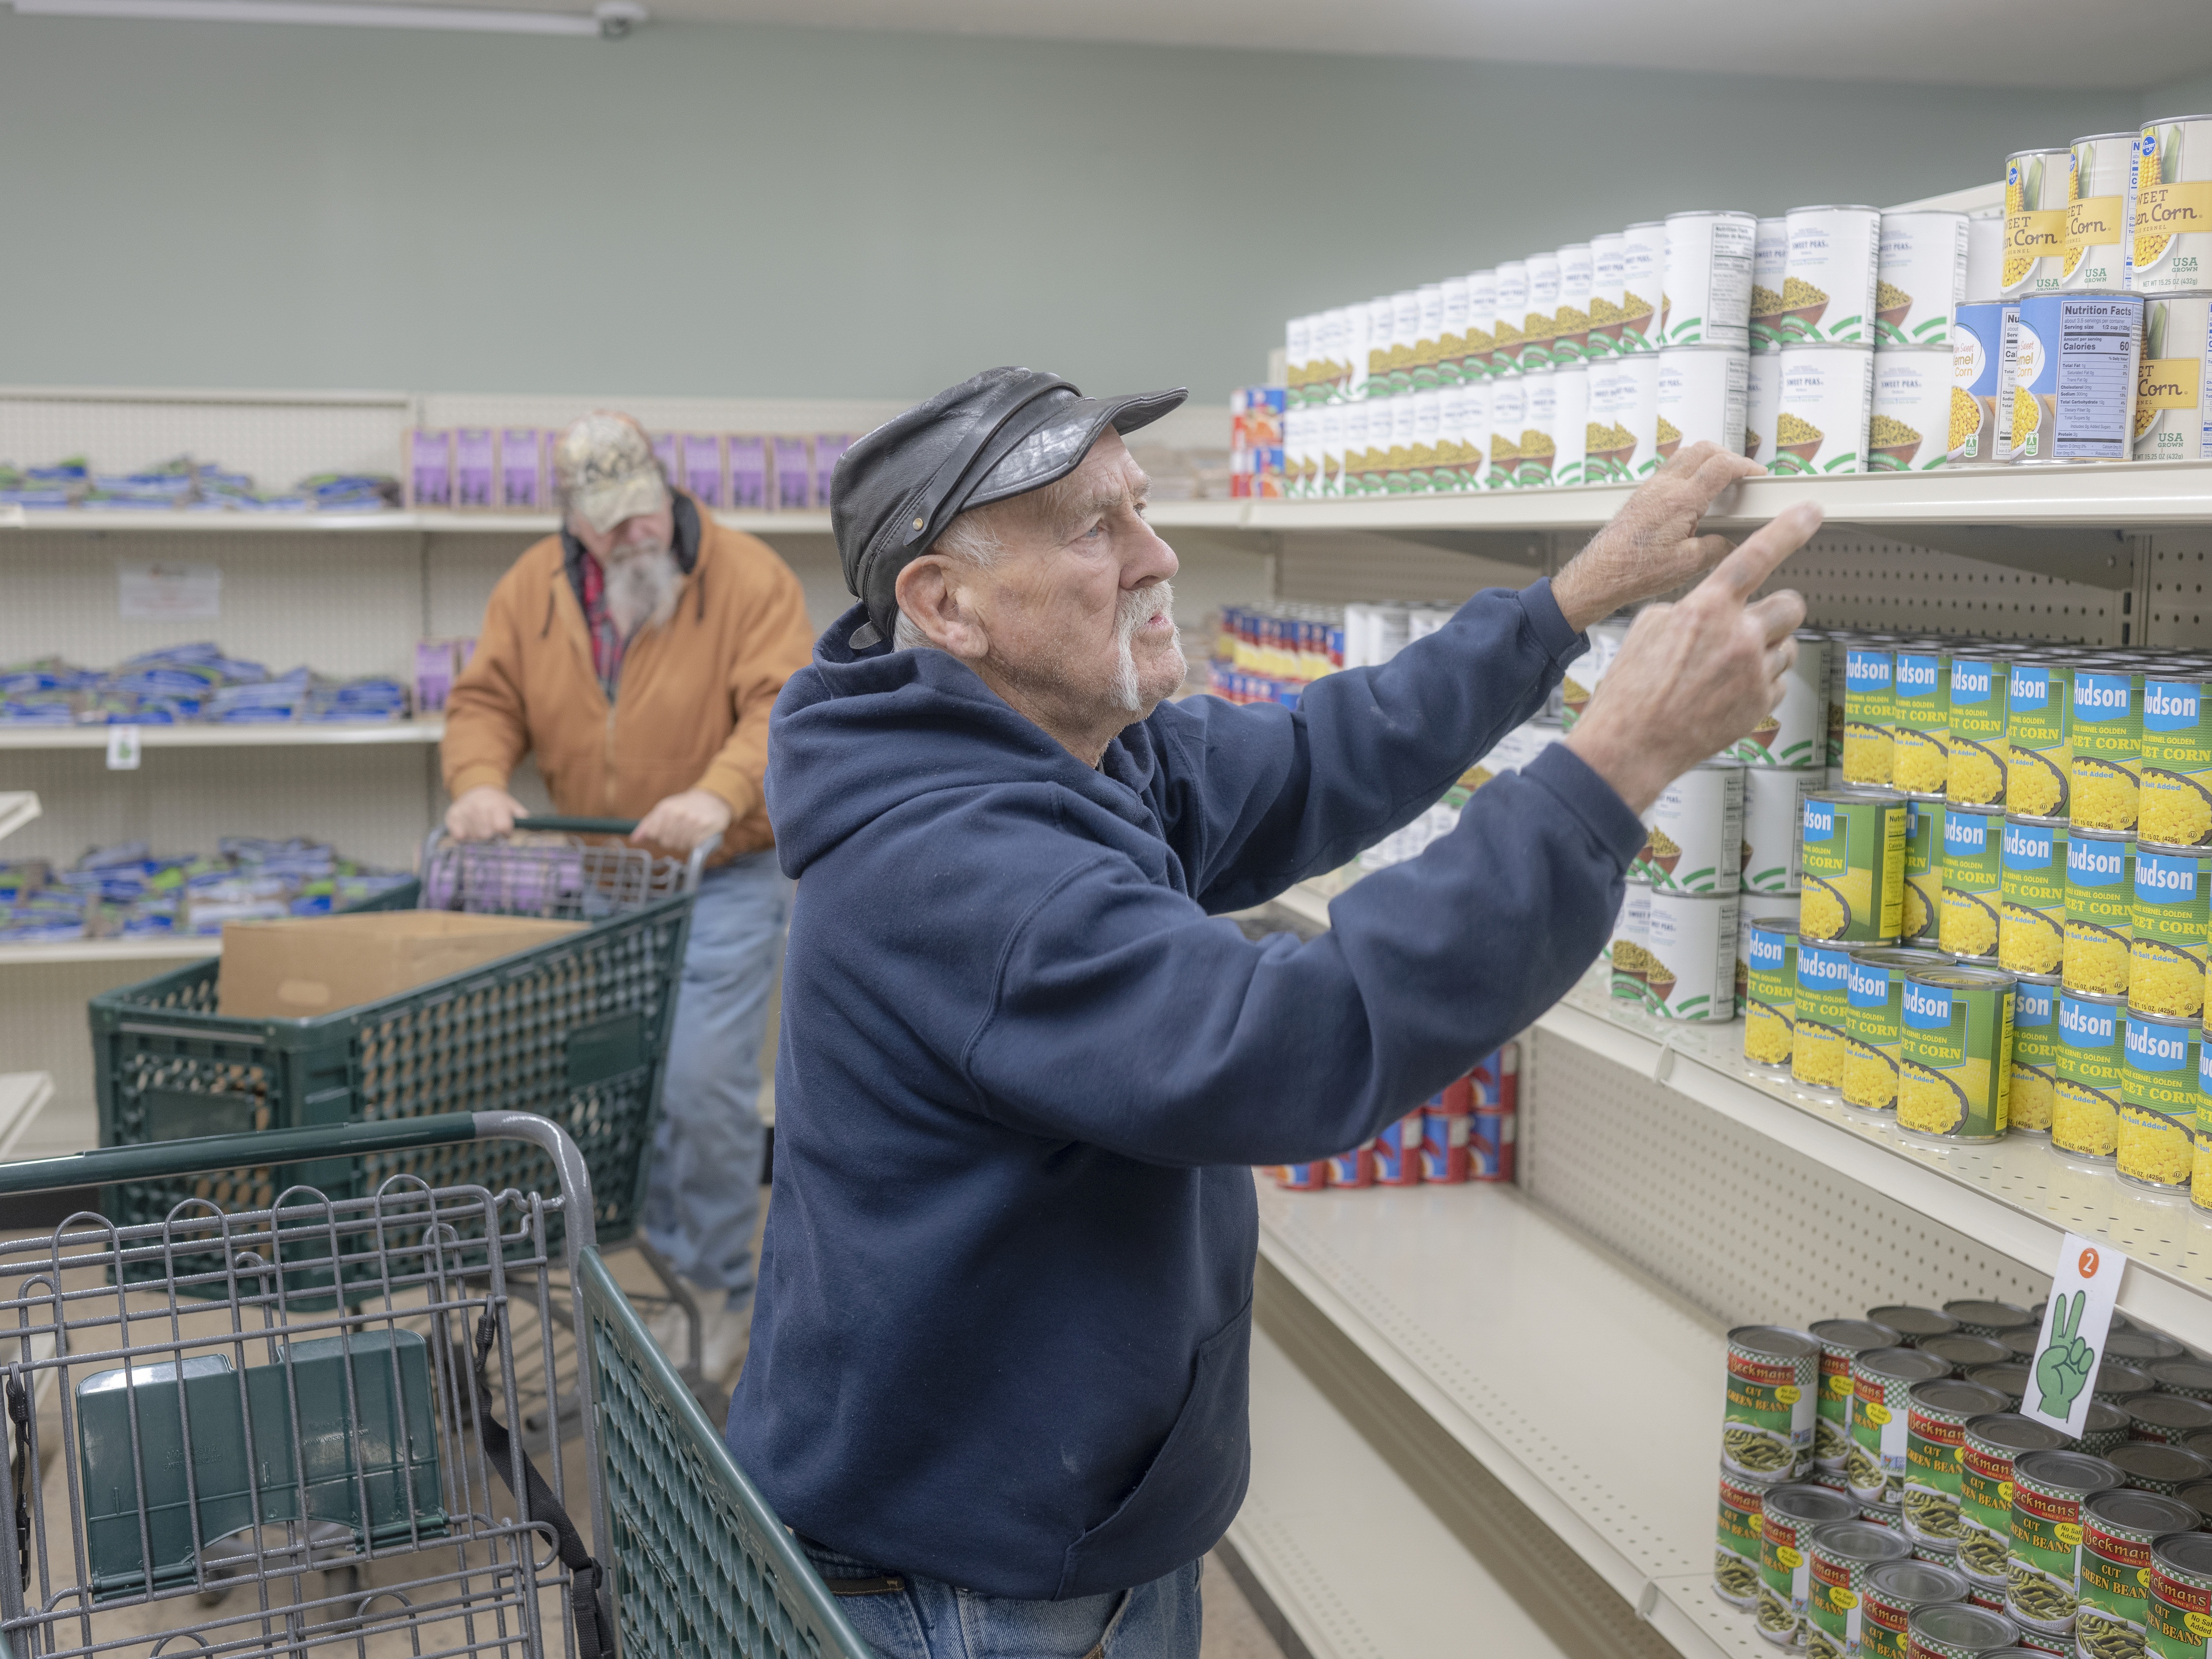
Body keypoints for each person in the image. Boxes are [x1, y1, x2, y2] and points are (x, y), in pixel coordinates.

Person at [732, 366, 1817, 1657]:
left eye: (1141, 506)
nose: (1158, 551)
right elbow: (1280, 1050)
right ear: (944, 604)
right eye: (1097, 528)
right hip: (975, 1581)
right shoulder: (964, 869)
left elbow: (1309, 759)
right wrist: (1612, 766)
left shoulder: (1057, 755)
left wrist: (1565, 604)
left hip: (1042, 1514)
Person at [440, 411, 813, 1382]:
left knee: (700, 1083)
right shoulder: (532, 587)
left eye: (643, 513)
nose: (635, 535)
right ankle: (663, 1266)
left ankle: (713, 1287)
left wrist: (717, 793)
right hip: (607, 877)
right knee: (631, 1089)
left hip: (724, 870)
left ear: (665, 491)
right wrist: (480, 780)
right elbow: (487, 700)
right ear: (574, 523)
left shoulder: (749, 577)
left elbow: (783, 708)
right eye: (611, 526)